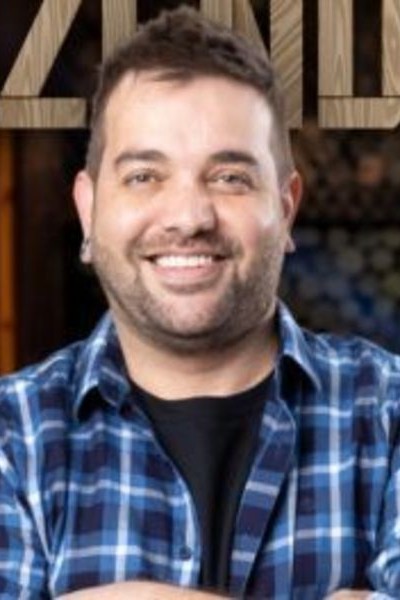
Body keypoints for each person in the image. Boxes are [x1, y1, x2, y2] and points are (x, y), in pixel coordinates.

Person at [0, 6, 399, 600]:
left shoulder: (390, 412)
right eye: (144, 176)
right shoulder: (12, 437)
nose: (189, 218)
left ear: (285, 207)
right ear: (88, 209)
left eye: (229, 177)